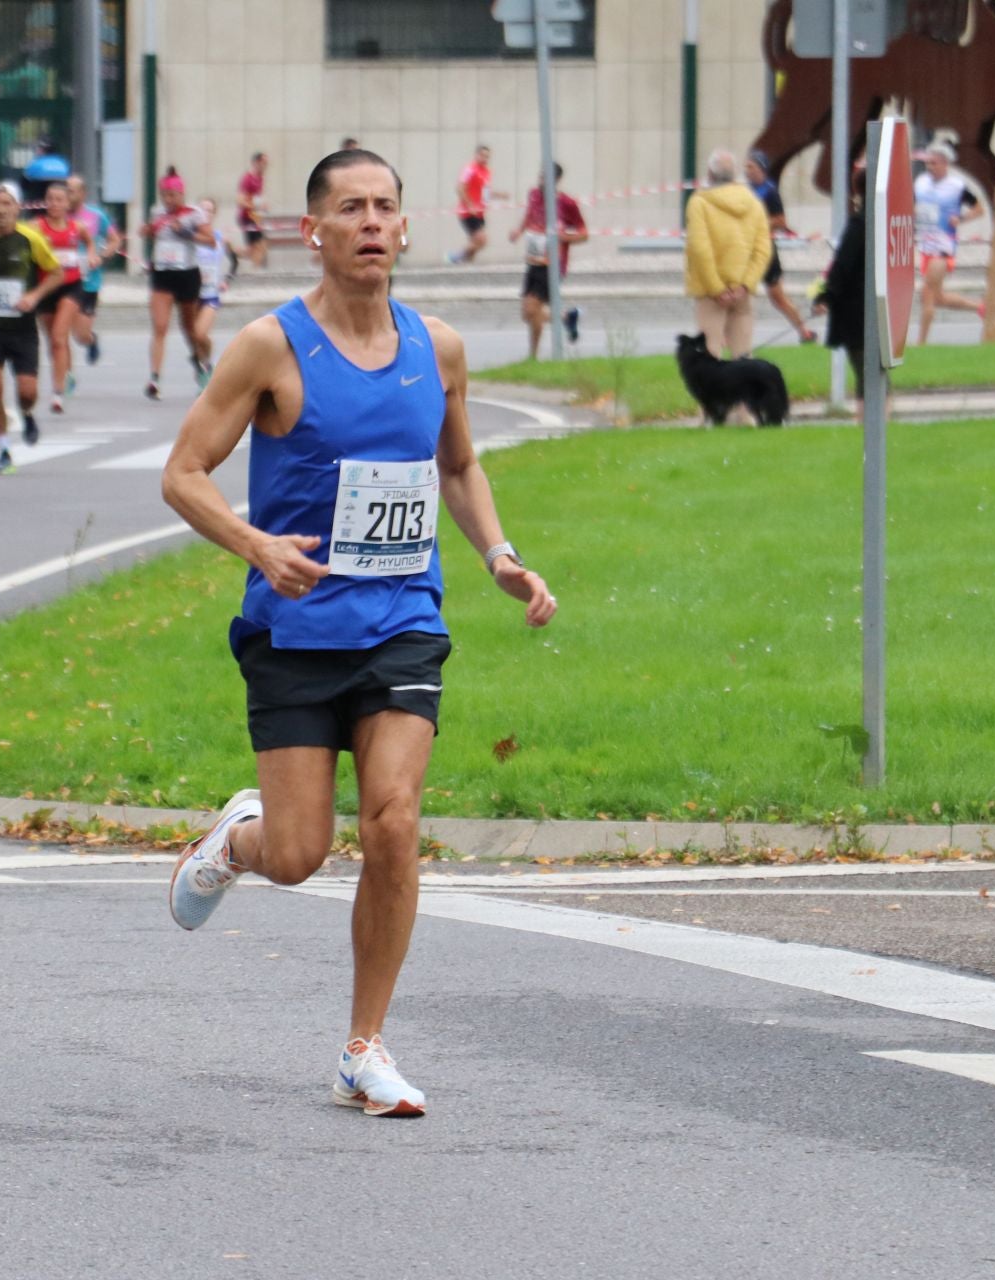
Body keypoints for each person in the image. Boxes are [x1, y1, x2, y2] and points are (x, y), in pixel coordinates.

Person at [160, 148, 557, 1118]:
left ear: (405, 227)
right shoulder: (270, 347)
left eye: (386, 205)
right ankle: (236, 841)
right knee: (300, 853)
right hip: (296, 630)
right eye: (352, 207)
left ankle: (364, 1045)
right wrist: (257, 545)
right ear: (318, 231)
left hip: (402, 624)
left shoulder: (441, 348)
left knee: (393, 819)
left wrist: (499, 553)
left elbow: (458, 468)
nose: (372, 221)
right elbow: (183, 472)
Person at [0, 181, 61, 474]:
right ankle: (3, 448)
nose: (0, 210)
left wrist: (34, 296)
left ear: (17, 208)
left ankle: (27, 413)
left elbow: (57, 273)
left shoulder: (30, 239)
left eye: (6, 204)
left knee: (27, 392)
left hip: (22, 328)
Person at [684, 148, 773, 358]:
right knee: (743, 357)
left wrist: (716, 288)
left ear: (710, 173)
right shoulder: (754, 203)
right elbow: (762, 249)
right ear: (735, 175)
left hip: (710, 292)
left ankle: (715, 392)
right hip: (742, 290)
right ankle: (745, 392)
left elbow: (700, 248)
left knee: (709, 355)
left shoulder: (700, 203)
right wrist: (745, 285)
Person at [141, 169, 210, 401]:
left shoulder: (194, 213)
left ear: (181, 194)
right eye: (164, 195)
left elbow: (210, 240)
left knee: (188, 327)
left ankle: (200, 364)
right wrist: (148, 232)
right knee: (160, 327)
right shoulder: (157, 212)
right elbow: (155, 235)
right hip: (162, 273)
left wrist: (188, 233)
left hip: (187, 274)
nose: (168, 200)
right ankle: (155, 378)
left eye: (172, 195)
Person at [508, 164, 588, 360]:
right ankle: (567, 317)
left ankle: (533, 357)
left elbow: (584, 234)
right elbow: (529, 215)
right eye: (540, 176)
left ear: (556, 180)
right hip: (534, 261)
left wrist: (562, 237)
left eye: (546, 178)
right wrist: (519, 231)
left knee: (531, 309)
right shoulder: (534, 194)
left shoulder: (567, 203)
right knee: (527, 314)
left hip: (553, 264)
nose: (541, 181)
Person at [30, 182, 96, 415]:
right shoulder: (36, 226)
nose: (55, 204)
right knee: (53, 341)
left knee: (59, 336)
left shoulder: (76, 227)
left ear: (68, 203)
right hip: (47, 287)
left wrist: (90, 255)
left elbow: (89, 243)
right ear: (45, 201)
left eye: (60, 199)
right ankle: (64, 374)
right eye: (51, 199)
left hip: (71, 285)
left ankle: (57, 393)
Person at [914, 134, 985, 343]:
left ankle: (920, 345)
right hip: (925, 246)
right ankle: (980, 308)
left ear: (945, 163)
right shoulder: (920, 182)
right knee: (938, 298)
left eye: (934, 163)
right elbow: (911, 205)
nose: (929, 167)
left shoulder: (956, 186)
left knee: (926, 294)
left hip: (944, 248)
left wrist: (961, 218)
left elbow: (979, 209)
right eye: (927, 163)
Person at [744, 150, 817, 344]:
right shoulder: (746, 190)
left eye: (751, 166)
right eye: (746, 167)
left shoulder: (769, 191)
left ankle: (804, 331)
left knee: (777, 296)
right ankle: (728, 336)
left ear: (761, 169)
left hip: (765, 249)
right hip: (745, 248)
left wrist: (759, 224)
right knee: (738, 291)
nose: (747, 171)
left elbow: (780, 220)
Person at [814, 163, 868, 405]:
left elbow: (842, 265)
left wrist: (825, 296)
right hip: (879, 309)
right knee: (877, 376)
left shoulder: (859, 225)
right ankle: (881, 424)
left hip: (855, 310)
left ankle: (866, 427)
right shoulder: (888, 222)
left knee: (864, 374)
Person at [65, 173, 118, 365]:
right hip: (63, 280)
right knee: (60, 332)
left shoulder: (96, 216)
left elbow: (115, 240)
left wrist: (101, 256)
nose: (67, 195)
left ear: (82, 193)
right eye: (65, 191)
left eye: (71, 191)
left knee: (80, 335)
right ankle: (65, 375)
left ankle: (91, 340)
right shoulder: (59, 216)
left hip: (89, 282)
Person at [448, 144, 506, 265]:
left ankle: (465, 264)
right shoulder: (470, 169)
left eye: (487, 156)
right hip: (468, 212)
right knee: (482, 239)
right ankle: (455, 257)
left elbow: (485, 193)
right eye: (482, 155)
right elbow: (460, 188)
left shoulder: (486, 172)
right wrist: (470, 205)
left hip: (480, 213)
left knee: (476, 242)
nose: (485, 159)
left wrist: (499, 195)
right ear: (476, 155)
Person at [193, 197, 232, 350]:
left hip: (211, 294)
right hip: (192, 293)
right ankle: (205, 368)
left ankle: (208, 363)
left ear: (214, 214)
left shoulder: (220, 238)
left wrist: (226, 280)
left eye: (209, 210)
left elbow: (234, 262)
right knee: (194, 337)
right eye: (202, 209)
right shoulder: (191, 237)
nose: (205, 213)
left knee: (200, 334)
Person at [236, 152, 268, 269]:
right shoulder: (247, 179)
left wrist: (262, 205)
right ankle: (254, 271)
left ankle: (235, 254)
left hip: (255, 217)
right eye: (264, 163)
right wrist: (256, 206)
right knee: (260, 247)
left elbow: (257, 197)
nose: (266, 166)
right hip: (247, 217)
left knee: (256, 248)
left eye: (267, 163)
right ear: (256, 163)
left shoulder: (260, 178)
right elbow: (240, 201)